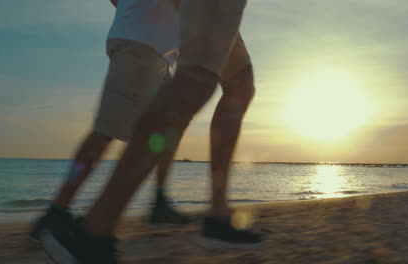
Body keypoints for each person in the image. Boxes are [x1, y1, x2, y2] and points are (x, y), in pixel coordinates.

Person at [42, 0, 261, 263]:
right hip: (142, 42)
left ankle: (214, 213)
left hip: (156, 44)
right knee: (195, 81)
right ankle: (91, 231)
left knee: (239, 84)